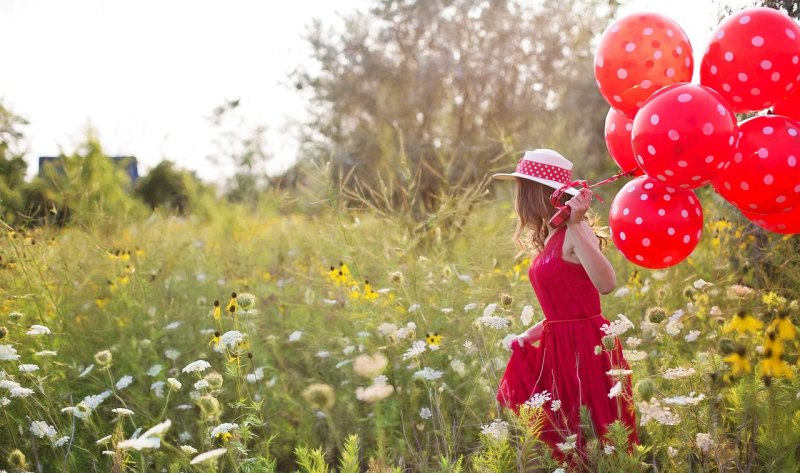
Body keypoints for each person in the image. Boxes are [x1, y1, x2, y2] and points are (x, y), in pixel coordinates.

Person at [492, 149, 638, 465]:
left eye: (523, 189)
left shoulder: (575, 230)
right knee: (570, 437)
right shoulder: (553, 234)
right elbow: (560, 309)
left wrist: (575, 222)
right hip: (559, 346)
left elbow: (607, 283)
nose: (519, 200)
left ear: (537, 192)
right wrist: (527, 335)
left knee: (600, 434)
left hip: (587, 346)